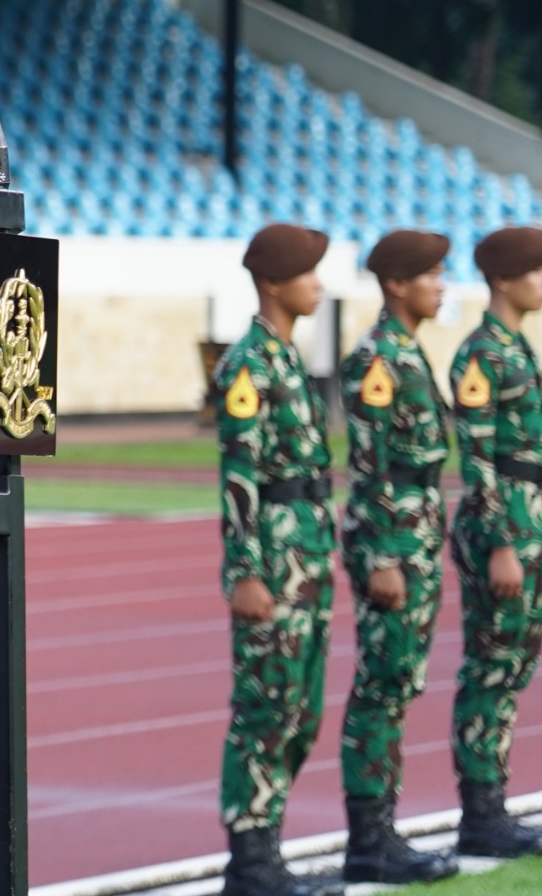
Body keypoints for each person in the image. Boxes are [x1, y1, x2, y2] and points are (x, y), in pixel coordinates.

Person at [216, 222, 338, 896]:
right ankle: (251, 860)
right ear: (273, 283)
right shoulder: (250, 366)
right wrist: (246, 573)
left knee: (301, 710)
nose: (317, 284)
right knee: (265, 708)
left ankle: (270, 849)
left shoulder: (290, 361)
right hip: (272, 564)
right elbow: (240, 478)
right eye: (307, 272)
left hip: (308, 561)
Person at [335, 230, 459, 885]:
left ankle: (383, 830)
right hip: (393, 544)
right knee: (381, 690)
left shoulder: (407, 352)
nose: (443, 285)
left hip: (415, 539)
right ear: (397, 284)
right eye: (433, 274)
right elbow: (370, 465)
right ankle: (370, 840)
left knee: (398, 686)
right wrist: (383, 555)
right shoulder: (379, 358)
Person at [446, 225, 542, 859]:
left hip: (530, 526)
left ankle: (493, 806)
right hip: (504, 530)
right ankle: (481, 814)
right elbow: (479, 459)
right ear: (502, 279)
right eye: (535, 269)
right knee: (491, 668)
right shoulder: (481, 355)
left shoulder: (515, 348)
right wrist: (498, 544)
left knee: (513, 666)